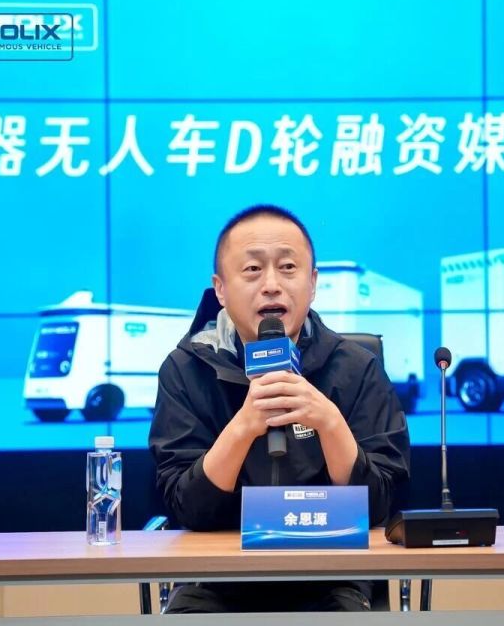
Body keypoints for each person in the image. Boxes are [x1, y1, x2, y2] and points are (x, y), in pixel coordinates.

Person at [148, 204, 410, 612]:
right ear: (220, 289)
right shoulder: (185, 369)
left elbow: (381, 505)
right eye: (252, 269)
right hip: (217, 579)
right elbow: (186, 507)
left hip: (333, 575)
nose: (271, 285)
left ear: (313, 282)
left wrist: (329, 423)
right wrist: (243, 427)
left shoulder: (357, 368)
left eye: (288, 268)